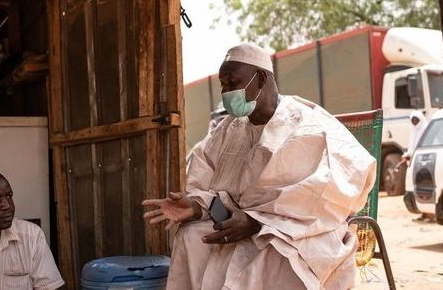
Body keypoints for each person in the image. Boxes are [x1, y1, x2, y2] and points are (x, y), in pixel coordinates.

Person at [142, 43, 376, 290]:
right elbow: (208, 181)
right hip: (237, 225)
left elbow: (326, 194)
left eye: (233, 82)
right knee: (191, 237)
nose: (226, 91)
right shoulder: (227, 129)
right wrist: (196, 205)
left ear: (261, 78)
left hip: (295, 233)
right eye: (223, 85)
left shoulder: (309, 125)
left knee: (268, 252)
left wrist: (256, 222)